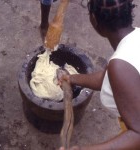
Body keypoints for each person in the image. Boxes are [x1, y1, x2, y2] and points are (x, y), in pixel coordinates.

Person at [59, 0, 140, 149]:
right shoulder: (135, 41)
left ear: (94, 21)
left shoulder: (120, 66)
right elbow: (111, 79)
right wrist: (72, 78)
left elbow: (138, 134)